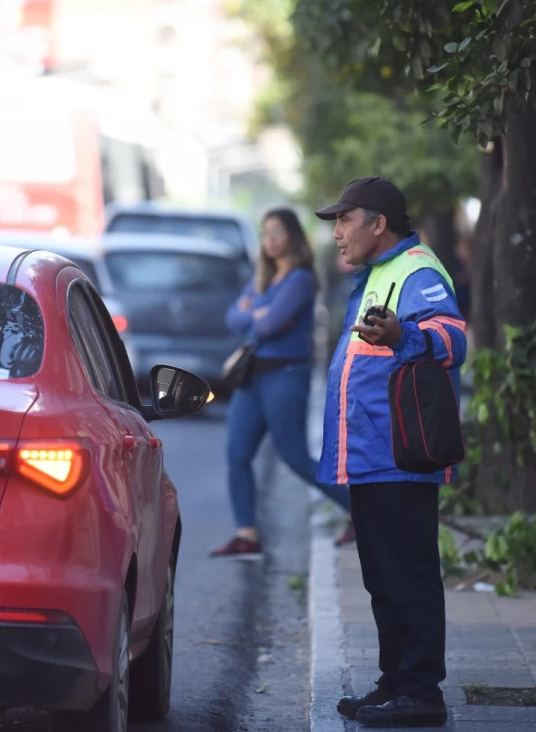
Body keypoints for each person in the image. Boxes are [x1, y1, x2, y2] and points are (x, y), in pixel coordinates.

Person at [316, 177, 467, 728]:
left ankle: (423, 689)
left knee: (408, 574)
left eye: (344, 220)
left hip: (401, 454)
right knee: (382, 577)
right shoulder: (378, 272)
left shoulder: (417, 270)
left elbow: (453, 339)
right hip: (371, 455)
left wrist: (405, 334)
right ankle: (395, 680)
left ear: (378, 224)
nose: (336, 234)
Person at [212, 207, 355, 558]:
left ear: (291, 235)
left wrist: (256, 314)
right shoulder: (264, 277)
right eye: (265, 232)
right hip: (252, 378)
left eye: (277, 231)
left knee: (294, 458)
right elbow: (233, 318)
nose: (270, 239)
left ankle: (363, 511)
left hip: (285, 377)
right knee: (237, 454)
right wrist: (255, 314)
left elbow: (268, 326)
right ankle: (247, 534)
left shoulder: (300, 279)